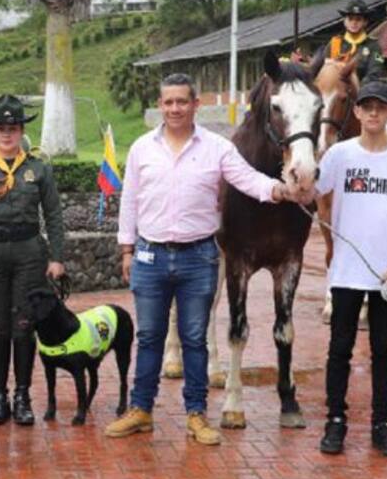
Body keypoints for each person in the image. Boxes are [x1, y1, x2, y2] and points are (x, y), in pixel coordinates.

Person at [107, 73, 295, 444]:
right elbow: (129, 201)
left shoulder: (216, 148)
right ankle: (141, 409)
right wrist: (127, 249)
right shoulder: (142, 148)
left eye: (182, 101)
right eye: (169, 102)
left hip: (198, 257)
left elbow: (247, 179)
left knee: (194, 339)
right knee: (149, 337)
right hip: (150, 255)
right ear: (160, 106)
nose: (175, 108)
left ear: (195, 105)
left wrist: (279, 190)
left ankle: (196, 414)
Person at [315, 81, 387, 458]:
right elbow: (314, 191)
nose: (374, 113)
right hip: (346, 272)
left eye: (381, 106)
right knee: (339, 348)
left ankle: (382, 423)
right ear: (356, 112)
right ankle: (335, 420)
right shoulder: (340, 154)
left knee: (383, 349)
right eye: (367, 106)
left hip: (386, 276)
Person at [0, 95, 65, 426]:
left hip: (29, 253)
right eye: (0, 128)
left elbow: (53, 215)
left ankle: (22, 395)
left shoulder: (38, 169)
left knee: (24, 326)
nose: (7, 134)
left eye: (13, 128)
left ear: (22, 131)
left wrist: (57, 257)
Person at [326, 0, 387, 84]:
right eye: (350, 19)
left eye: (358, 19)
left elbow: (375, 73)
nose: (354, 23)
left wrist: (358, 86)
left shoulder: (374, 46)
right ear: (344, 22)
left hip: (363, 88)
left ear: (365, 22)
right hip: (334, 87)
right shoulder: (334, 43)